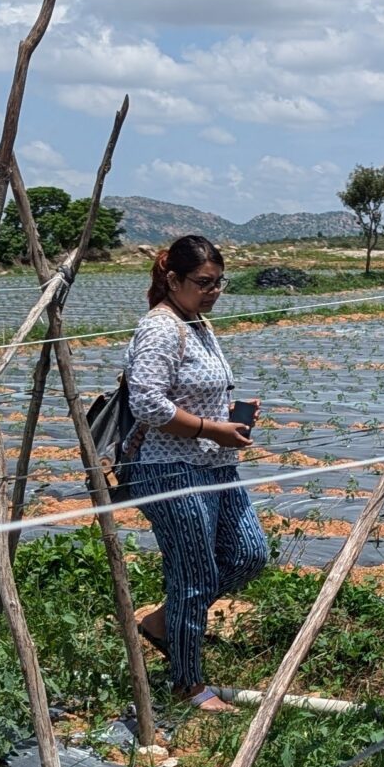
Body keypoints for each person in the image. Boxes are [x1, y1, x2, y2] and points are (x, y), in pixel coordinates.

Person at [120, 235, 268, 714]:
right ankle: (187, 683)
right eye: (204, 283)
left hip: (214, 462)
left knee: (249, 554)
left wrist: (230, 414)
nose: (213, 291)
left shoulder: (196, 322)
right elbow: (147, 401)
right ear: (174, 280)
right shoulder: (161, 328)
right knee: (194, 574)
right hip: (169, 468)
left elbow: (191, 390)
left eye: (219, 282)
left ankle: (163, 622)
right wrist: (211, 427)